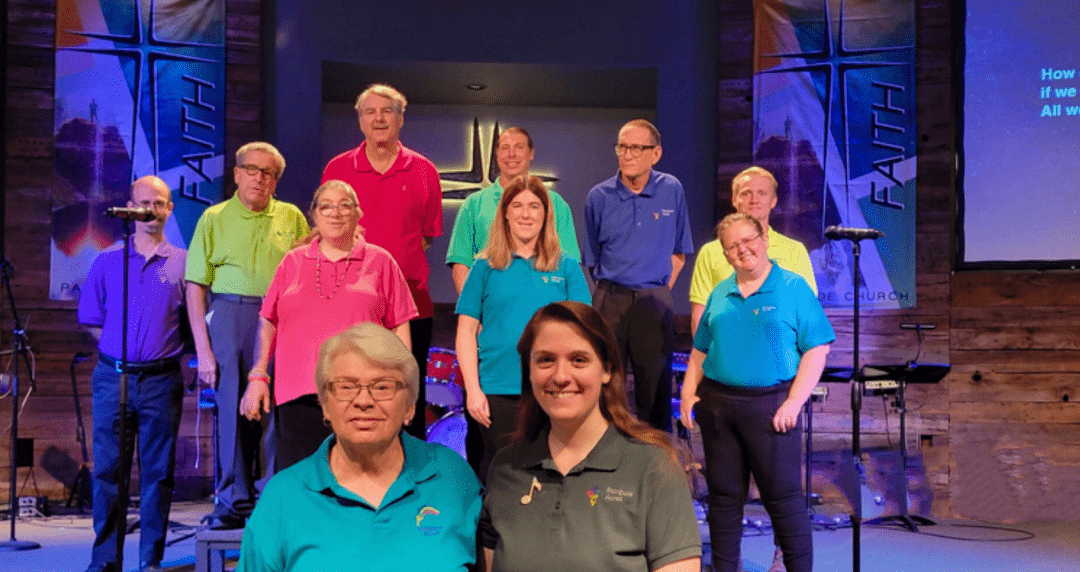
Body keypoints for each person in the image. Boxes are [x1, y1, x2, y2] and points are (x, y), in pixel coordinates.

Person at [237, 323, 482, 571]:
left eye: (383, 387)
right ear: (325, 405)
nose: (363, 401)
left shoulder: (453, 478)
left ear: (410, 406)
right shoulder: (283, 497)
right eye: (346, 387)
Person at [480, 301, 701, 572]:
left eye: (579, 360)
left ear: (606, 370)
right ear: (529, 371)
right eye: (546, 360)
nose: (561, 376)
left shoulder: (653, 467)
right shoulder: (506, 468)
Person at [679, 214, 834, 572]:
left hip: (772, 407)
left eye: (748, 240)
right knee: (723, 499)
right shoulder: (720, 292)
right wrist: (688, 392)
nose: (742, 250)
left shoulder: (793, 287)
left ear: (763, 240)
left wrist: (794, 402)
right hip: (718, 407)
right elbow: (700, 349)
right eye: (732, 246)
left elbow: (817, 349)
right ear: (725, 254)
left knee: (783, 500)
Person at [238, 179, 419, 472]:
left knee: (358, 481)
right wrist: (258, 376)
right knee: (301, 483)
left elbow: (400, 328)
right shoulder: (292, 262)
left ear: (358, 214)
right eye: (326, 207)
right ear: (315, 215)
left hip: (361, 398)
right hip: (298, 397)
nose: (335, 213)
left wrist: (403, 387)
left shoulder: (380, 261)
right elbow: (268, 321)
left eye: (344, 206)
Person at [186, 142, 310, 529]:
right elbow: (195, 285)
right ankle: (232, 501)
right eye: (252, 170)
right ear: (237, 174)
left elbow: (307, 268)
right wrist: (203, 350)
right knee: (231, 409)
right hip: (229, 314)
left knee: (276, 410)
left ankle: (272, 498)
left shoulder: (291, 216)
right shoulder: (213, 217)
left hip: (280, 318)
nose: (259, 178)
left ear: (276, 180)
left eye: (269, 173)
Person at [322, 84, 442, 440]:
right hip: (350, 307)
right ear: (360, 120)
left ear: (400, 119)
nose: (379, 119)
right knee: (350, 394)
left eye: (387, 111)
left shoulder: (424, 170)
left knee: (407, 396)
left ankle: (409, 468)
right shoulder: (338, 169)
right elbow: (328, 233)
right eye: (370, 112)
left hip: (412, 306)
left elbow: (427, 235)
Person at [79, 176, 186, 572]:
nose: (150, 211)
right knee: (109, 471)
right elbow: (92, 320)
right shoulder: (107, 260)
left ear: (169, 209)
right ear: (130, 207)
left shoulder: (183, 262)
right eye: (143, 203)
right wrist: (121, 352)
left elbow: (191, 322)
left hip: (161, 380)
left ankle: (150, 559)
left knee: (158, 472)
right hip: (114, 379)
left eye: (158, 203)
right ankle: (106, 561)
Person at [455, 175, 590, 482]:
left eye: (534, 206)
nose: (525, 214)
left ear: (546, 214)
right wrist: (473, 390)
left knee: (552, 477)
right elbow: (465, 332)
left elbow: (584, 332)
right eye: (517, 206)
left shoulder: (566, 267)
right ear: (505, 213)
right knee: (501, 479)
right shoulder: (484, 267)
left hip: (554, 389)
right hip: (496, 391)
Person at [584, 119, 693, 432]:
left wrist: (656, 290)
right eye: (622, 147)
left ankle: (656, 454)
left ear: (655, 153)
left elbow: (679, 252)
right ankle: (604, 449)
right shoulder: (599, 196)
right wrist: (613, 291)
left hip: (653, 298)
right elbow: (592, 257)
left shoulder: (671, 189)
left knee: (655, 389)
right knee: (606, 383)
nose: (627, 154)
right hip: (610, 298)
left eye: (635, 147)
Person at [446, 126, 581, 294]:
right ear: (496, 154)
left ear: (531, 153)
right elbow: (461, 263)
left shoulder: (556, 204)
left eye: (519, 147)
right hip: (489, 304)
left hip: (546, 303)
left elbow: (570, 265)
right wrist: (472, 306)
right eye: (505, 148)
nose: (511, 154)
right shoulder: (473, 204)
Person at [689, 166, 816, 334]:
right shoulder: (710, 252)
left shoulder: (795, 250)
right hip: (726, 346)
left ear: (773, 201)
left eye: (762, 193)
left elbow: (807, 311)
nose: (754, 200)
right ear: (734, 200)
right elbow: (700, 314)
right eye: (746, 193)